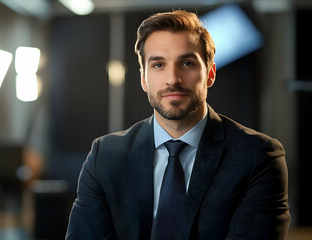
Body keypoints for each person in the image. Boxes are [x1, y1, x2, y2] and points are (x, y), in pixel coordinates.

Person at [65, 10, 290, 240]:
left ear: (210, 73)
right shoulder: (105, 157)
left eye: (186, 63)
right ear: (143, 79)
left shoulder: (258, 157)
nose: (172, 79)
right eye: (158, 65)